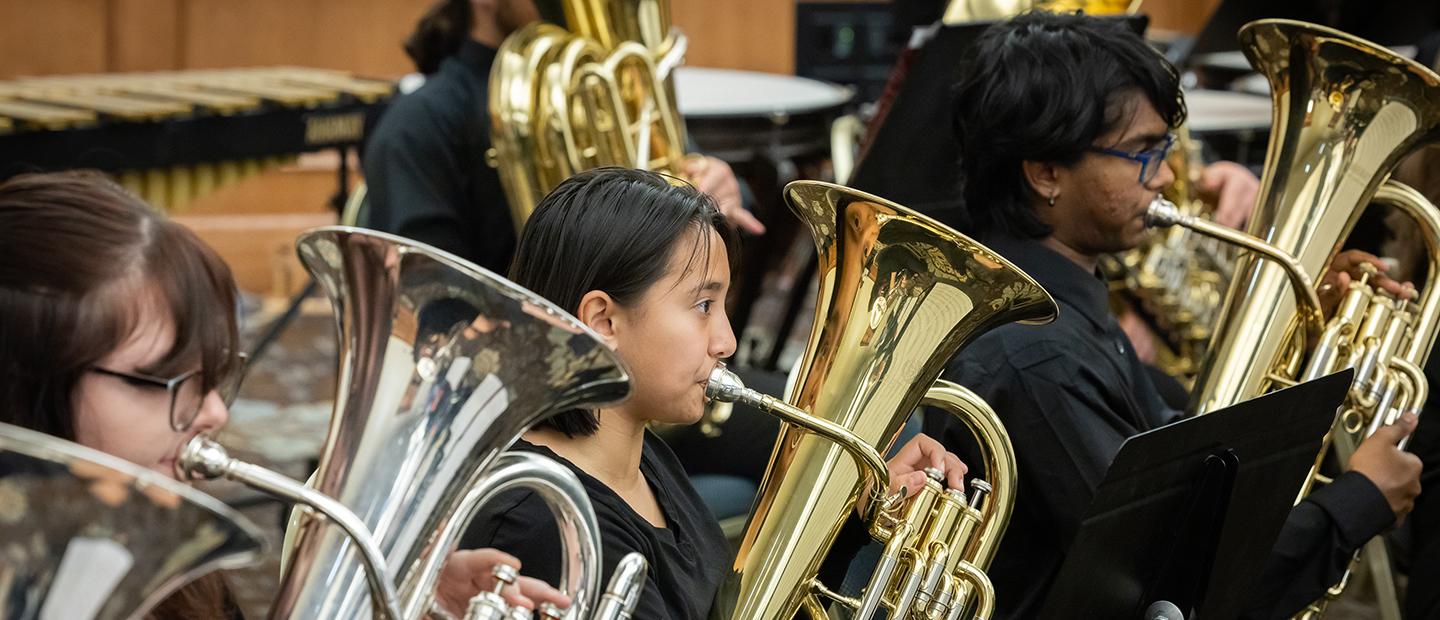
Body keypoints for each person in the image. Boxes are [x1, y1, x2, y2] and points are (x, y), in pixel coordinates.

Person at [923, 11, 1424, 619]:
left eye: (1163, 148)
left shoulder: (1065, 304)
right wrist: (1357, 501)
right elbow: (1172, 588)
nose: (1163, 175)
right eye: (1141, 152)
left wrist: (1302, 333)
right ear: (1046, 173)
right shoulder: (1036, 355)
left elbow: (1180, 463)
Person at [0, 171, 568, 619]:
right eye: (173, 381)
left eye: (216, 377)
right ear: (25, 383)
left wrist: (383, 603)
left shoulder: (173, 557)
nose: (216, 412)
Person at [460, 167, 967, 619]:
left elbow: (730, 605)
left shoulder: (642, 457)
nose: (725, 341)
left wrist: (857, 524)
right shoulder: (543, 521)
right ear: (602, 320)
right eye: (703, 305)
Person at [362, 0, 762, 275]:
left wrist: (723, 188)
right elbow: (433, 302)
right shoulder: (417, 125)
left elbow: (711, 190)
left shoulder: (604, 85)